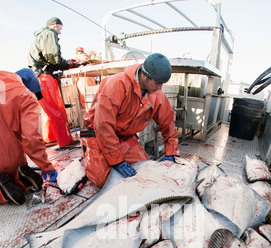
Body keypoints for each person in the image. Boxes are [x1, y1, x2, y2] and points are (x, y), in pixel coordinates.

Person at [81, 53, 180, 188]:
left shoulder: (157, 95)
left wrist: (171, 152)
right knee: (102, 180)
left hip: (125, 138)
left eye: (162, 84)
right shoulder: (117, 83)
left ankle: (109, 157)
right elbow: (103, 125)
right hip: (98, 135)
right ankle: (87, 156)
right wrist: (117, 160)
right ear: (144, 75)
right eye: (157, 83)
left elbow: (168, 124)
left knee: (145, 172)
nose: (160, 88)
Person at [0, 68, 57, 205]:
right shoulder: (25, 95)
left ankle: (4, 183)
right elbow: (31, 136)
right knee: (12, 170)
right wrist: (45, 165)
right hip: (12, 156)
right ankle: (17, 177)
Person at [28, 17, 80, 149]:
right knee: (56, 109)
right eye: (60, 29)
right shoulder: (50, 33)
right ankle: (65, 141)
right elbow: (53, 57)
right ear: (55, 25)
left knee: (47, 110)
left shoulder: (39, 37)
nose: (60, 33)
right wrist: (68, 64)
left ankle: (50, 138)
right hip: (45, 77)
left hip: (36, 78)